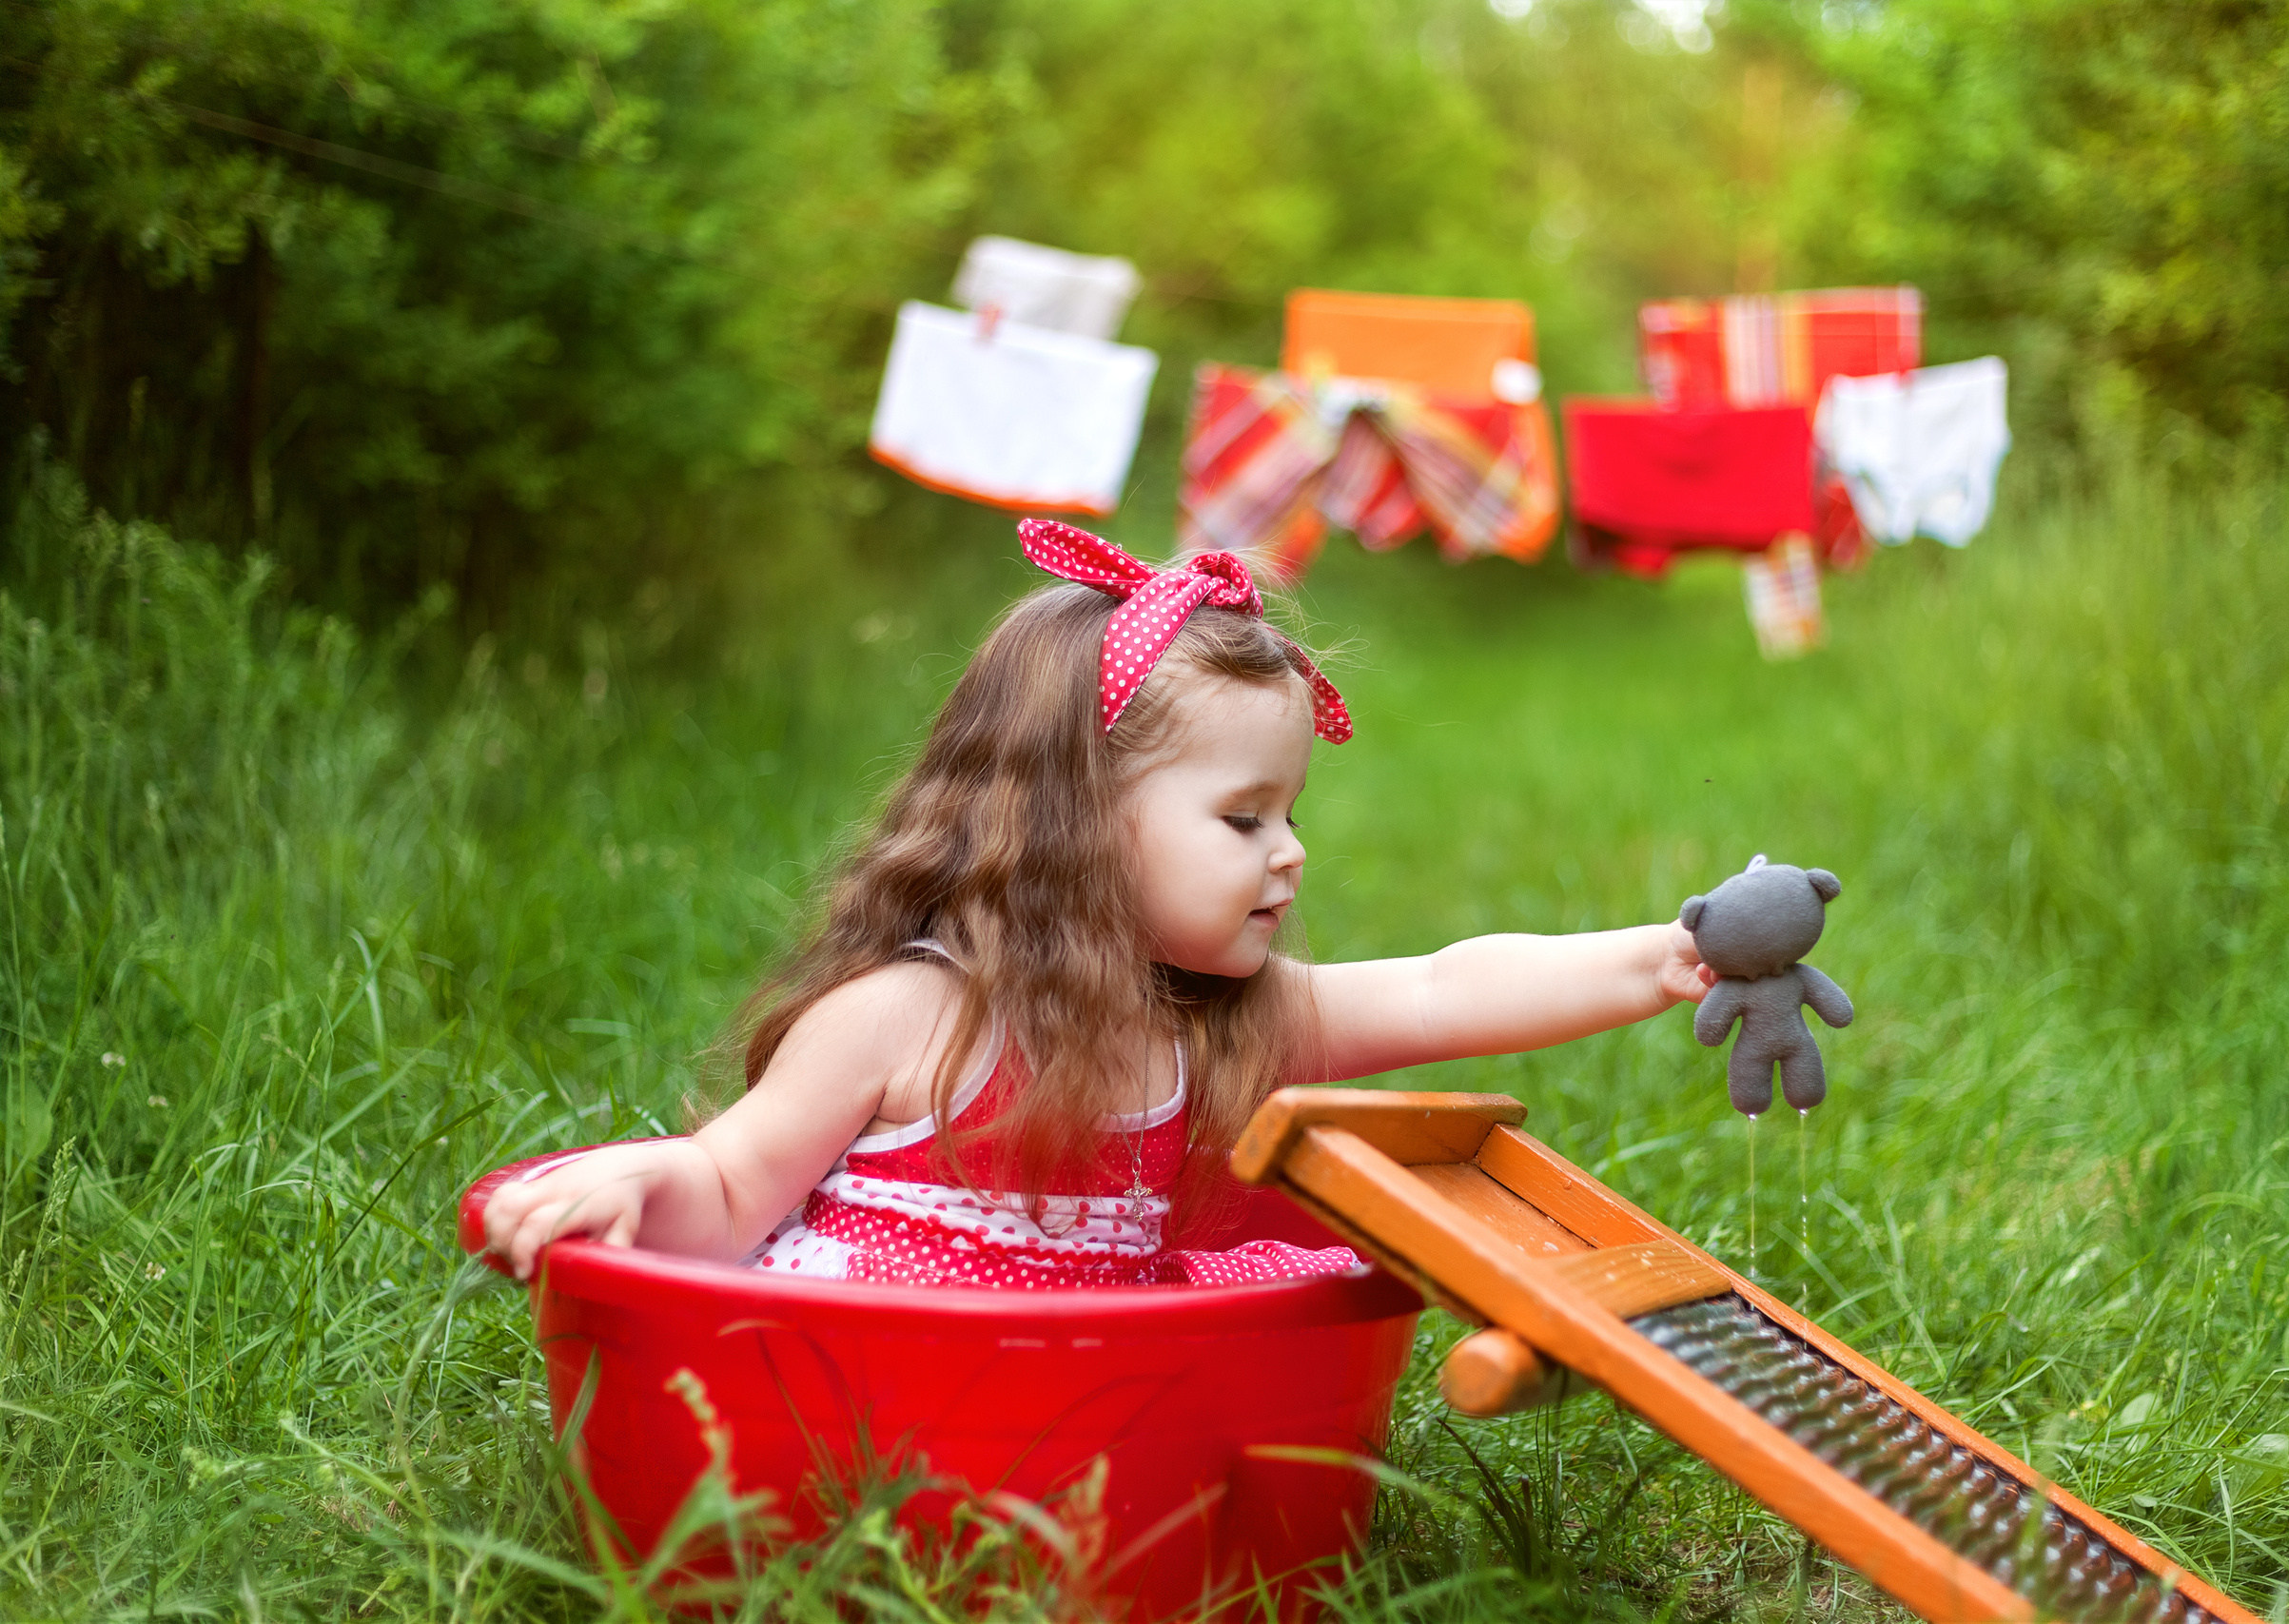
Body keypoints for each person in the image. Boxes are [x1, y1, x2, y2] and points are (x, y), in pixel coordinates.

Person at [482, 519, 1715, 1288]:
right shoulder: (905, 1018)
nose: (1287, 856)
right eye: (1243, 820)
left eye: (1291, 815)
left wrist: (1668, 959)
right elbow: (737, 1188)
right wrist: (648, 1184)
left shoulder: (1217, 1021)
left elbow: (1446, 986)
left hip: (1079, 1421)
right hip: (865, 1388)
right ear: (1076, 819)